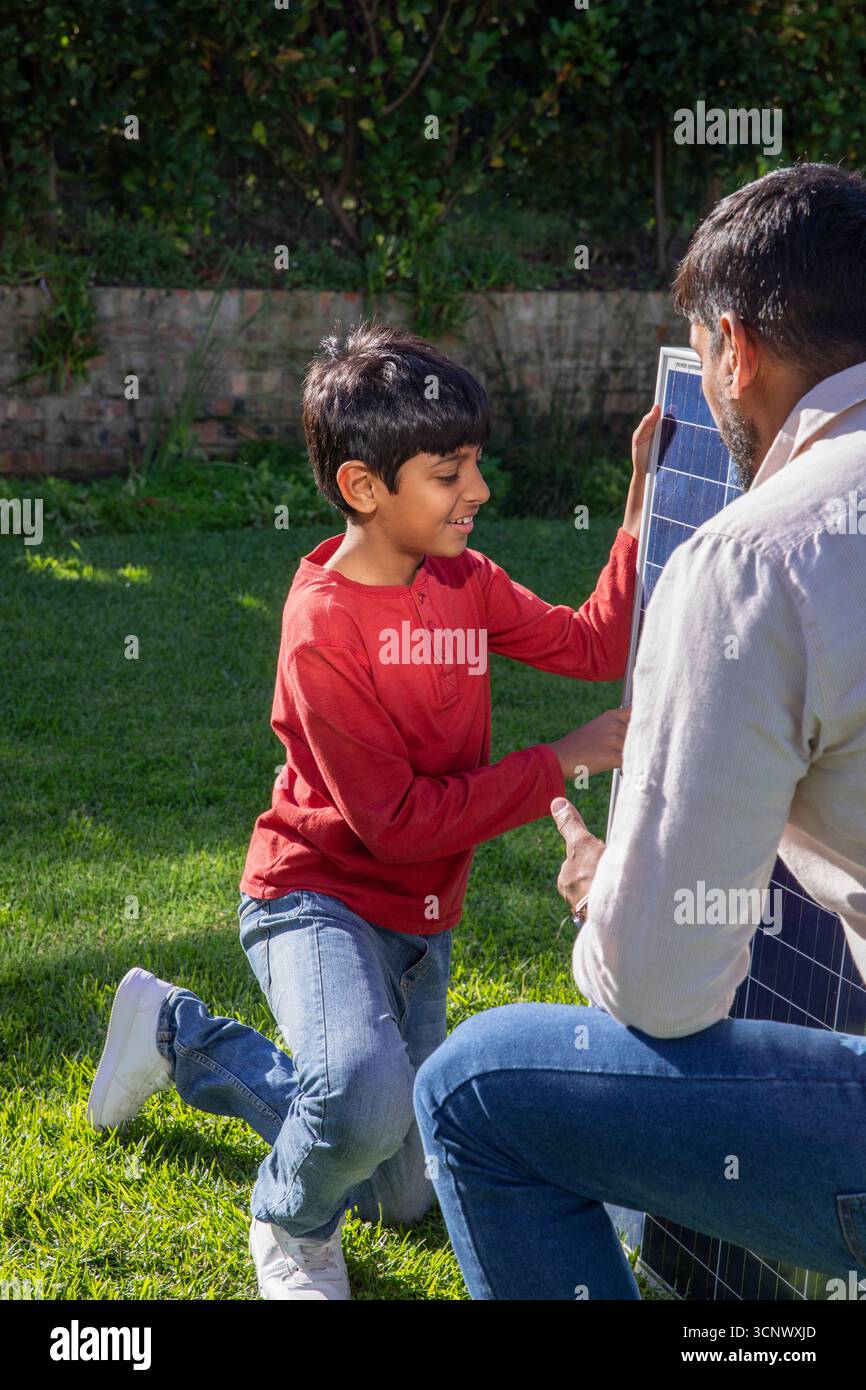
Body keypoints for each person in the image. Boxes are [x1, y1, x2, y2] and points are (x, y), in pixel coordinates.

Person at [86, 320, 657, 1299]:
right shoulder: (323, 629)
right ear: (363, 487)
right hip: (315, 895)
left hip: (419, 919)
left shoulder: (464, 581)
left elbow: (595, 645)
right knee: (360, 1098)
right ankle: (289, 1221)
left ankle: (173, 1031)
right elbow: (393, 821)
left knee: (393, 1176)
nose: (476, 491)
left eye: (474, 464)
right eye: (449, 472)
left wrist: (643, 487)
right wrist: (554, 762)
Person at [413, 161, 866, 1300]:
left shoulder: (761, 556)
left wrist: (609, 886)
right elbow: (578, 638)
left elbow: (662, 990)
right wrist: (631, 525)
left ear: (734, 348)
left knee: (472, 1091)